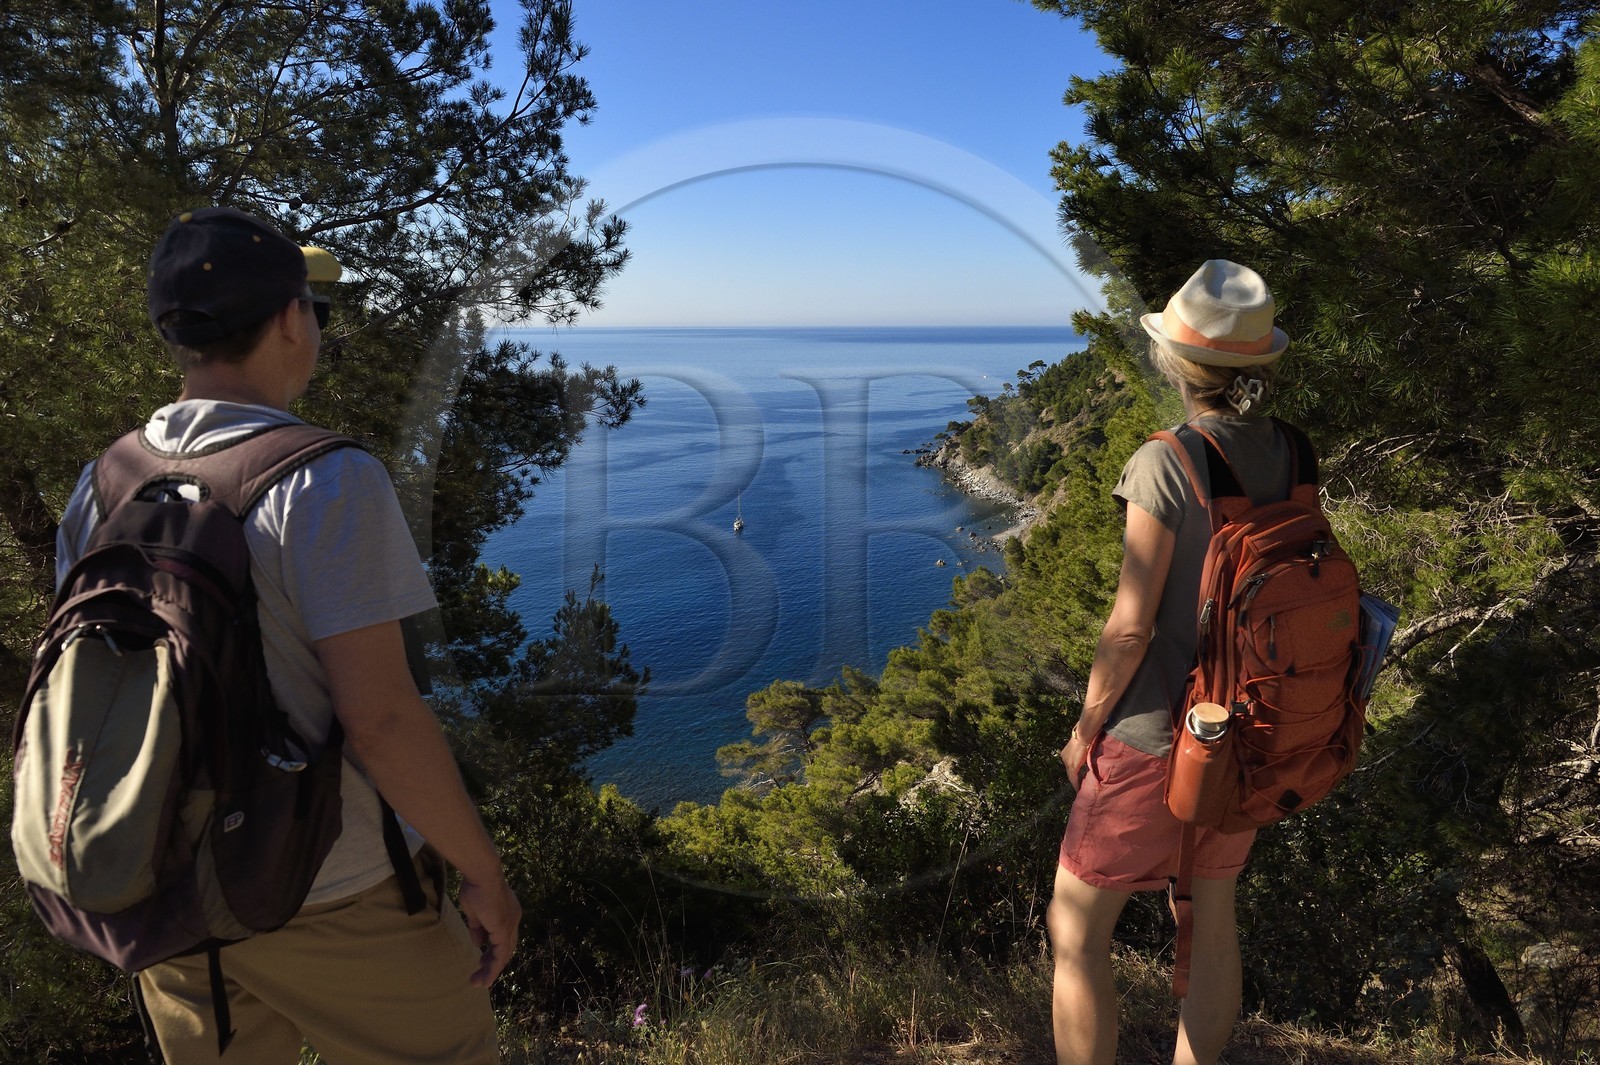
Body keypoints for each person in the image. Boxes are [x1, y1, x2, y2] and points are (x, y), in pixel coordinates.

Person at [54, 207, 520, 1063]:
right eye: (317, 308)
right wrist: (482, 871)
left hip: (165, 886)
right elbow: (379, 719)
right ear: (286, 321)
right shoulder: (327, 479)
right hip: (333, 888)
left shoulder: (102, 483)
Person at [1048, 260, 1296, 1065]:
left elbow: (1129, 628)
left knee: (1076, 927)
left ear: (1177, 362)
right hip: (1253, 732)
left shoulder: (1168, 460)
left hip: (1156, 733)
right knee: (1213, 914)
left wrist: (1086, 725)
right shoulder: (1294, 451)